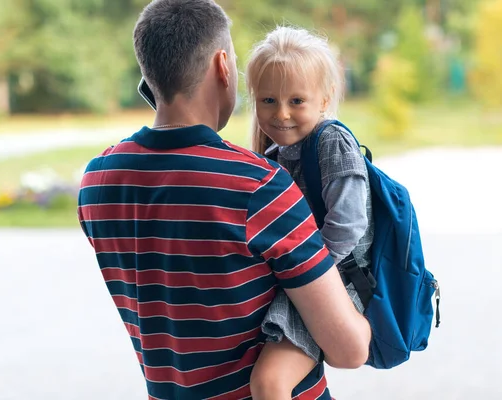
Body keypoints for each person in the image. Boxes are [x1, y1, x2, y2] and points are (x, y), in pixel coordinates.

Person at [77, 1, 371, 399]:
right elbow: (349, 349)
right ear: (223, 66)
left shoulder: (98, 180)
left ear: (149, 75)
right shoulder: (259, 187)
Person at [245, 26, 375, 399]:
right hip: (305, 279)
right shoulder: (274, 157)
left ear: (324, 99)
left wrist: (303, 275)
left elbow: (348, 224)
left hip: (335, 281)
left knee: (270, 383)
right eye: (268, 100)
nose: (281, 113)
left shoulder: (332, 141)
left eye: (296, 100)